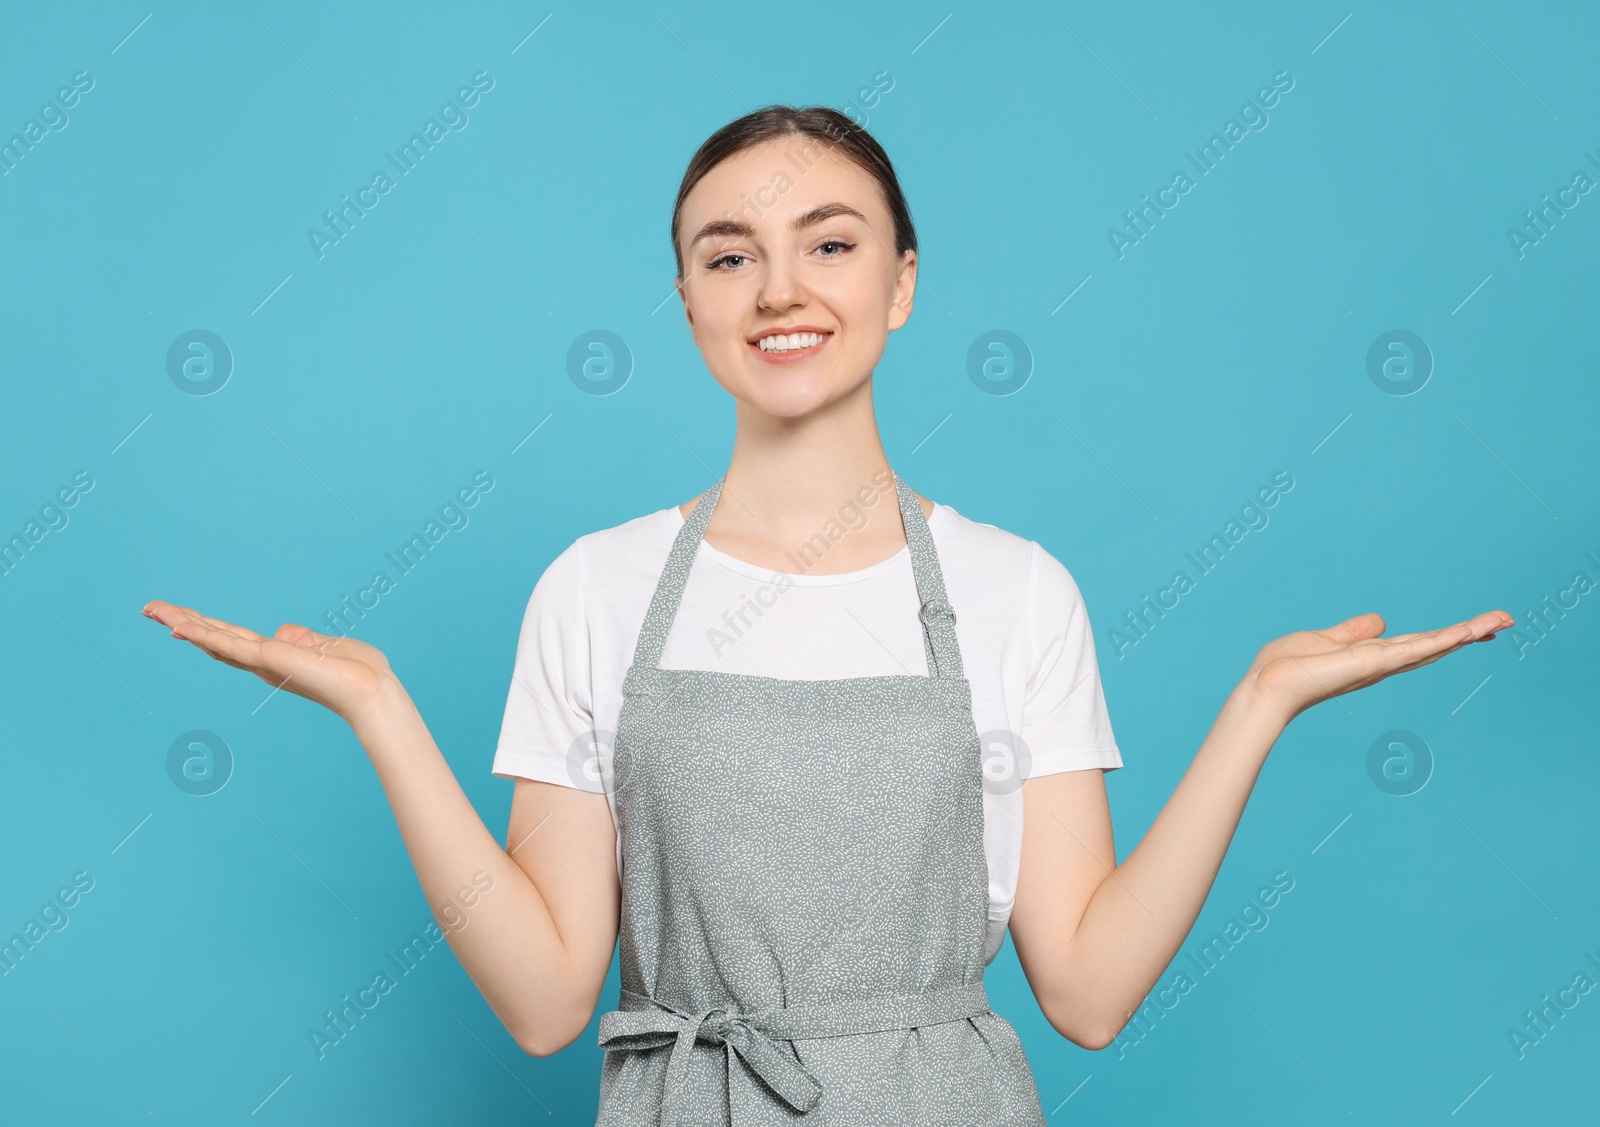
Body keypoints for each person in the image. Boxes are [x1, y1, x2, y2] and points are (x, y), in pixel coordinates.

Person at [142, 105, 1513, 1124]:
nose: (782, 287)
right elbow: (551, 999)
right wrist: (385, 715)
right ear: (686, 303)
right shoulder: (594, 591)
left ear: (902, 282)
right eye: (729, 256)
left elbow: (1087, 992)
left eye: (830, 243)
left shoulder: (1015, 590)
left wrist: (1255, 709)